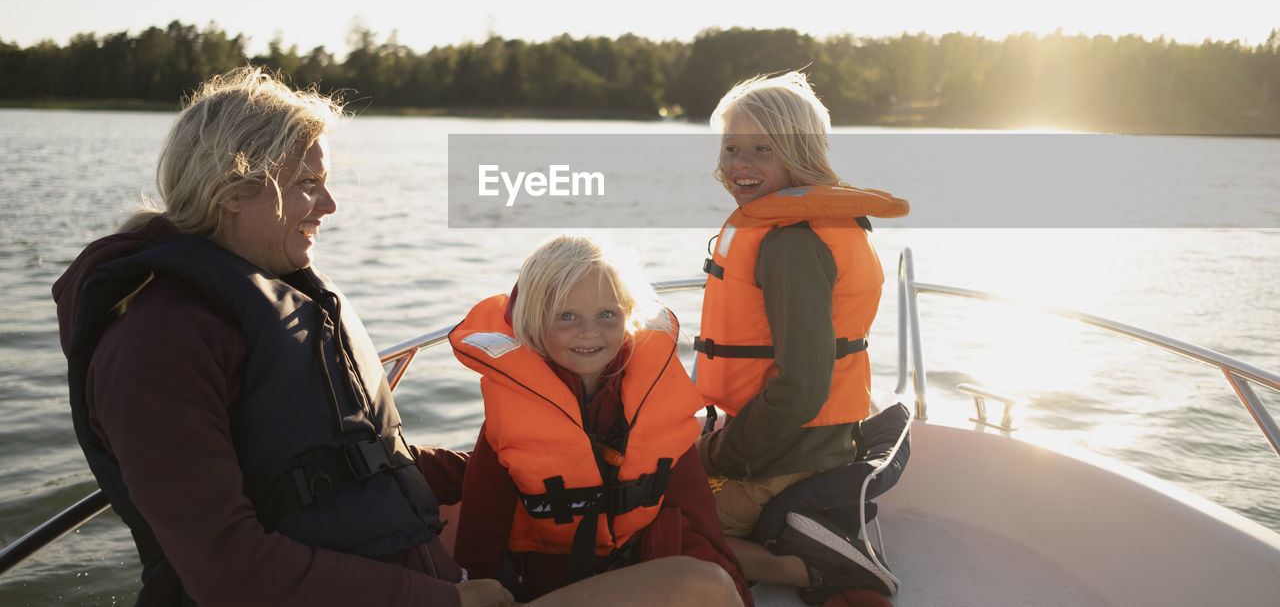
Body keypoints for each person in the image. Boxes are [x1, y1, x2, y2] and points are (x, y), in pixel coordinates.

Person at [54, 67, 740, 607]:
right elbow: (231, 569)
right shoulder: (154, 345)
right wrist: (443, 598)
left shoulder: (277, 300)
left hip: (420, 575)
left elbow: (356, 460)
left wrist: (522, 461)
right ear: (237, 189)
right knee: (700, 590)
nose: (328, 205)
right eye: (307, 185)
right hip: (415, 594)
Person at [692, 72, 910, 603]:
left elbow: (803, 387)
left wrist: (720, 455)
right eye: (731, 147)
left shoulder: (791, 243)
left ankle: (808, 567)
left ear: (800, 151)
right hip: (797, 438)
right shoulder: (801, 223)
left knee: (655, 529)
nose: (739, 164)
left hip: (792, 451)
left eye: (762, 149)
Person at [450, 234, 752, 606]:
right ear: (532, 323)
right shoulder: (508, 420)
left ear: (628, 315)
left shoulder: (655, 404)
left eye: (606, 314)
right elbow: (480, 536)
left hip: (647, 566)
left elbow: (697, 514)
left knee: (711, 581)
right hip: (555, 584)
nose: (589, 332)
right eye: (566, 316)